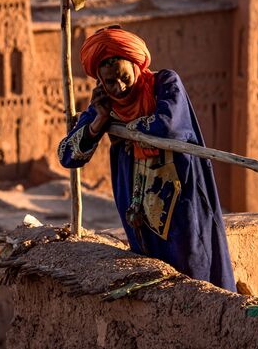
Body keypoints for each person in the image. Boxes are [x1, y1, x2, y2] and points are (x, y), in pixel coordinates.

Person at [57, 26, 236, 291]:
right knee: (153, 278)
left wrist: (125, 128)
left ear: (136, 64)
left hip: (181, 203)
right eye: (109, 82)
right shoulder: (105, 105)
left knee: (195, 271)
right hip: (138, 215)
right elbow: (67, 155)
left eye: (123, 76)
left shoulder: (164, 84)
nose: (119, 87)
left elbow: (168, 125)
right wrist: (99, 121)